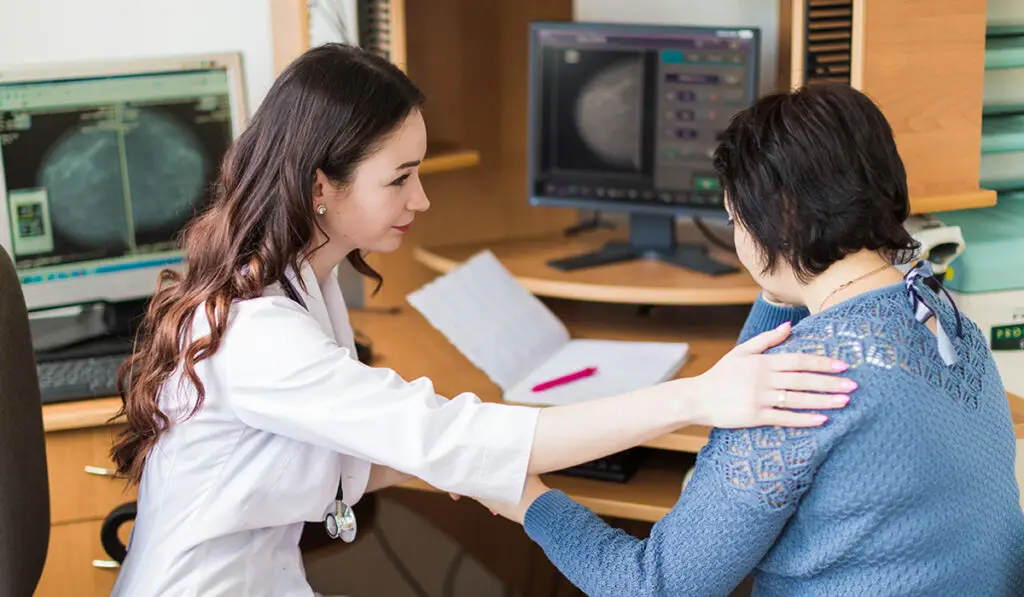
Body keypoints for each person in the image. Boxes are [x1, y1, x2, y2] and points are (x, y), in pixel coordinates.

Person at [106, 44, 854, 596]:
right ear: (320, 188)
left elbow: (351, 449)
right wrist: (696, 397)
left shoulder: (305, 284)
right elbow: (442, 433)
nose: (422, 199)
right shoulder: (260, 333)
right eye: (400, 177)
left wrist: (457, 458)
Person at [482, 82, 1024, 596]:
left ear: (777, 221)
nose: (738, 237)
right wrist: (782, 282)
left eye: (735, 219)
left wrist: (529, 497)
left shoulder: (800, 386)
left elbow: (654, 585)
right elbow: (749, 375)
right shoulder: (944, 315)